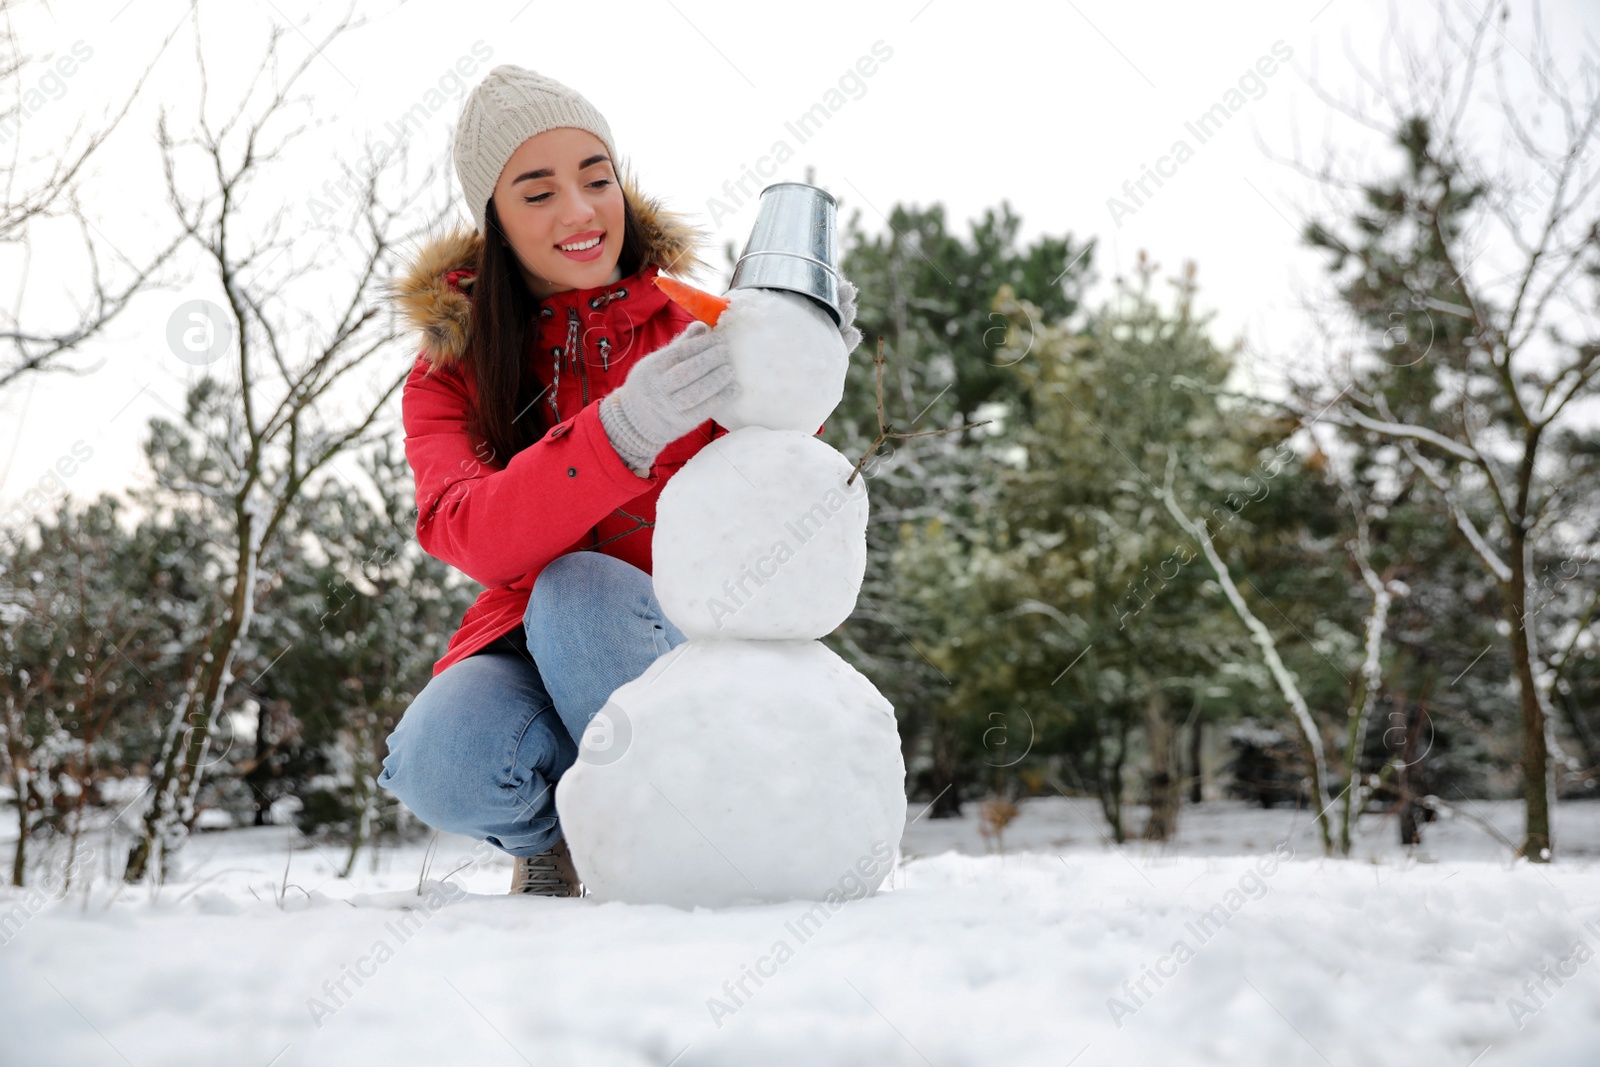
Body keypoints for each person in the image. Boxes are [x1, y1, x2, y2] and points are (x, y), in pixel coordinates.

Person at [374, 65, 863, 897]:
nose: (579, 211)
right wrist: (617, 434)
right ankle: (561, 843)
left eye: (597, 179)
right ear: (492, 219)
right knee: (437, 755)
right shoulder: (452, 371)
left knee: (583, 593)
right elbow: (470, 530)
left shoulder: (694, 327)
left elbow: (767, 469)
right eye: (537, 192)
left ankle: (685, 822)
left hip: (679, 644)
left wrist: (802, 364)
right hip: (530, 635)